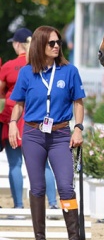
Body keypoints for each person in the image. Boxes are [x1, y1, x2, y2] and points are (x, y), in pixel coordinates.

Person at [8, 25, 86, 240]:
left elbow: (78, 103)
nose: (55, 46)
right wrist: (13, 123)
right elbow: (18, 103)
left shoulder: (69, 71)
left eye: (58, 42)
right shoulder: (26, 73)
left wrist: (79, 128)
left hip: (61, 135)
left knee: (65, 187)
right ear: (40, 45)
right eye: (51, 43)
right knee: (37, 188)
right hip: (33, 135)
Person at [0, 28, 60, 216]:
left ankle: (18, 206)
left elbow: (0, 93)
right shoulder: (40, 65)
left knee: (15, 164)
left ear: (17, 44)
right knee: (44, 164)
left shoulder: (9, 66)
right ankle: (52, 204)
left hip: (14, 118)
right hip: (37, 117)